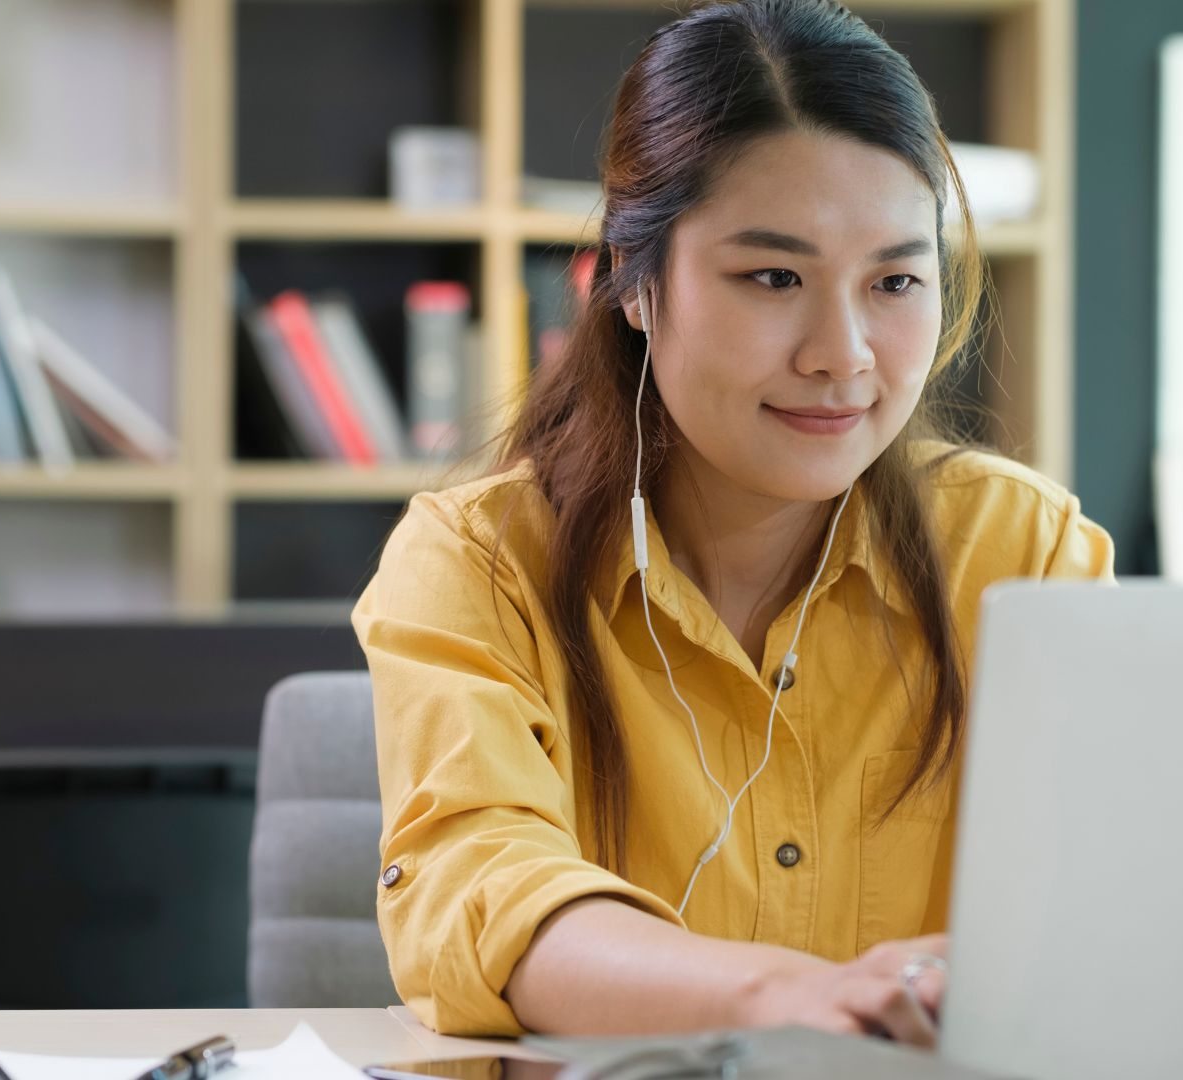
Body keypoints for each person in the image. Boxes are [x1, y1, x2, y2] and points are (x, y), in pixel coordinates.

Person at [352, 0, 1113, 1046]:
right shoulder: (477, 562)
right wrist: (785, 997)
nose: (842, 354)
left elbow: (1116, 900)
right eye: (772, 277)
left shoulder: (1025, 554)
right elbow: (477, 889)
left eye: (895, 279)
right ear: (631, 280)